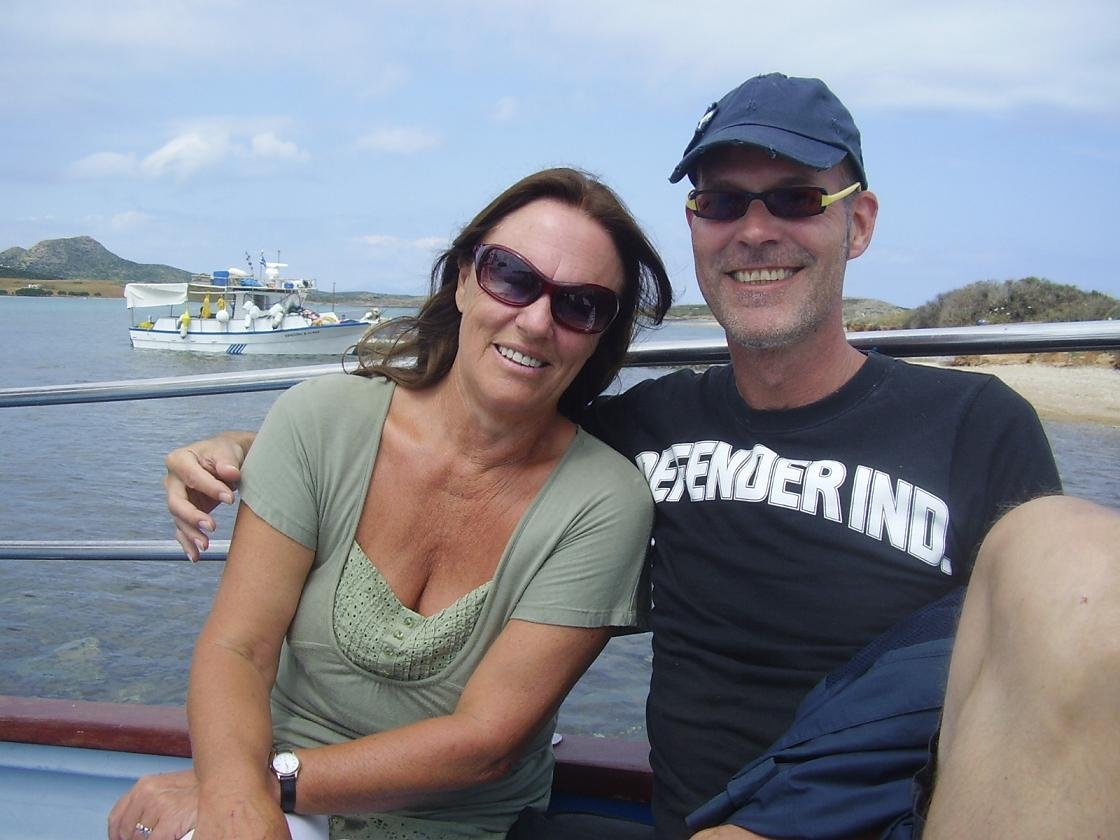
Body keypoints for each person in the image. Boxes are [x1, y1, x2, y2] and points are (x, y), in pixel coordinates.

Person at [161, 74, 1120, 840]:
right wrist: (257, 451)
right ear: (696, 225)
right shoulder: (643, 435)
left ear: (857, 223)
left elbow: (1030, 669)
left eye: (796, 198)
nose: (756, 229)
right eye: (723, 200)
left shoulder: (972, 422)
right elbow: (486, 438)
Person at [108, 167, 673, 840]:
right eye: (512, 277)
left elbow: (484, 743)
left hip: (451, 825)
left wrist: (259, 787)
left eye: (581, 304)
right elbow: (239, 647)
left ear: (603, 334)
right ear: (463, 279)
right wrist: (234, 799)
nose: (536, 320)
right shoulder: (320, 422)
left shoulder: (602, 503)